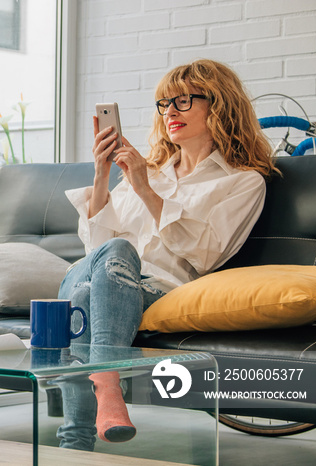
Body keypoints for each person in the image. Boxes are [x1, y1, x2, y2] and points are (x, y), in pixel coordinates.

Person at [55, 59, 277, 451]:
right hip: (97, 270)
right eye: (164, 103)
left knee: (86, 298)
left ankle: (74, 445)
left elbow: (206, 255)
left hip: (157, 288)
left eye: (184, 100)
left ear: (220, 105)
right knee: (116, 253)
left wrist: (143, 187)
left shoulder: (242, 181)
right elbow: (97, 246)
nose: (170, 112)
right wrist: (101, 175)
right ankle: (109, 384)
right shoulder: (152, 170)